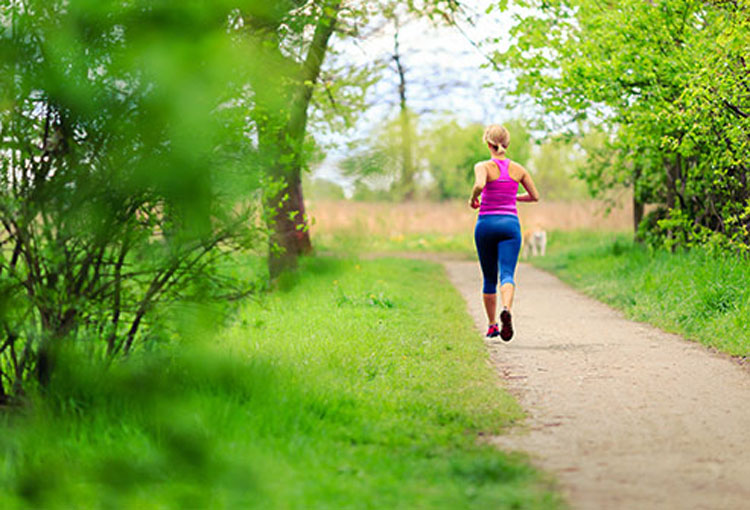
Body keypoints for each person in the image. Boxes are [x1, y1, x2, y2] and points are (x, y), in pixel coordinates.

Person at [469, 124, 539, 341]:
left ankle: (492, 325)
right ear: (506, 144)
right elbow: (535, 196)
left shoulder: (483, 166)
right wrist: (513, 197)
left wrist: (473, 198)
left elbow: (480, 185)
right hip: (510, 225)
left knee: (489, 278)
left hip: (486, 225)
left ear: (488, 144)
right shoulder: (519, 169)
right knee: (507, 274)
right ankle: (506, 309)